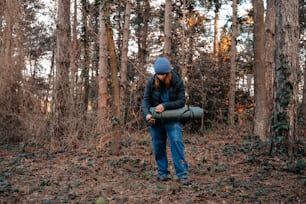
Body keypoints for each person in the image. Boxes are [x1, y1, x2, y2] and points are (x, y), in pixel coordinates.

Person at [141, 57, 190, 185]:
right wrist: (147, 115)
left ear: (168, 73)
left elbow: (181, 101)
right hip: (156, 121)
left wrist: (165, 106)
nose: (161, 77)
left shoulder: (177, 80)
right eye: (158, 74)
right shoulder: (151, 83)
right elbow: (145, 101)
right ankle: (163, 173)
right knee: (158, 146)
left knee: (176, 142)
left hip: (173, 119)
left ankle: (182, 175)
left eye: (163, 74)